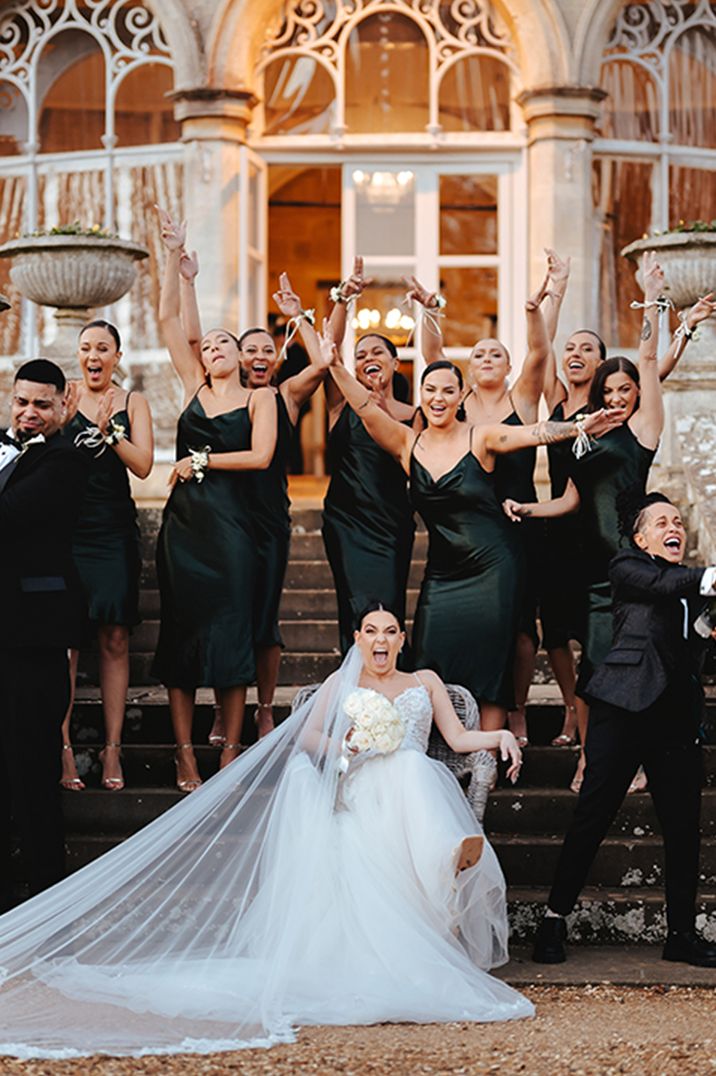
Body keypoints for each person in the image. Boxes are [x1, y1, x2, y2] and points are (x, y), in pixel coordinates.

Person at [0, 604, 533, 1059]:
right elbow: (306, 739)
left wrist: (501, 736)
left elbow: (460, 737)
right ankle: (444, 859)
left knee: (415, 767)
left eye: (390, 631)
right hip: (360, 788)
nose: (380, 639)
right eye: (370, 631)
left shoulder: (426, 683)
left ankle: (446, 856)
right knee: (400, 773)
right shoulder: (339, 684)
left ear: (401, 640)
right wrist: (348, 749)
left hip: (413, 790)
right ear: (357, 640)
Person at [324, 333, 622, 766]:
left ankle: (485, 766)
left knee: (488, 664)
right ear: (421, 396)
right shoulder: (408, 443)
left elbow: (535, 433)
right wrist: (333, 364)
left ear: (461, 394)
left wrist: (577, 426)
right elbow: (366, 407)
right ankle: (427, 764)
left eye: (448, 390)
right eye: (430, 390)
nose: (439, 398)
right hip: (443, 573)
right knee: (429, 659)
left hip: (494, 566)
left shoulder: (481, 437)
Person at [504, 252, 666, 792]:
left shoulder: (643, 429)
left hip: (633, 567)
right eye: (611, 392)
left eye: (626, 391)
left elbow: (646, 354)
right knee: (596, 673)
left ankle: (637, 761)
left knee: (636, 670)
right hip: (596, 573)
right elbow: (572, 496)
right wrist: (528, 508)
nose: (618, 398)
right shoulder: (586, 432)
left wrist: (650, 301)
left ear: (638, 394)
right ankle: (591, 761)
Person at [532, 492, 716, 968]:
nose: (673, 527)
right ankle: (553, 920)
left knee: (683, 829)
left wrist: (705, 633)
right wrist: (710, 578)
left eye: (678, 521)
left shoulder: (687, 584)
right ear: (640, 536)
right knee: (593, 815)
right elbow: (661, 586)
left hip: (675, 715)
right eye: (661, 522)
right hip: (623, 705)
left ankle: (680, 935)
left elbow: (693, 648)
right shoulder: (627, 566)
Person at [409, 256, 558, 747]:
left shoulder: (522, 399)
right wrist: (428, 313)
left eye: (495, 353)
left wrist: (539, 305)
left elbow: (540, 350)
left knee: (521, 633)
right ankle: (467, 722)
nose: (487, 358)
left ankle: (513, 711)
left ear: (508, 365)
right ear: (467, 373)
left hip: (522, 523)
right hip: (471, 526)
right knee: (479, 633)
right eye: (478, 355)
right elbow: (433, 360)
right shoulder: (459, 407)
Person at [178, 252, 327, 740]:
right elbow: (193, 339)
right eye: (251, 350)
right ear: (238, 359)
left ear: (276, 357)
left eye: (268, 350)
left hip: (267, 520)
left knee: (263, 618)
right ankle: (226, 710)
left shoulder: (283, 396)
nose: (260, 356)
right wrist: (188, 281)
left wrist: (298, 315)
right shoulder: (222, 393)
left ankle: (263, 708)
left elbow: (324, 360)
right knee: (229, 617)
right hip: (222, 520)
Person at [154, 211, 277, 792]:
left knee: (232, 638)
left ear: (242, 358)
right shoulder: (192, 387)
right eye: (214, 345)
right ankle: (184, 753)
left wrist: (199, 461)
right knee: (182, 639)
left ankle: (230, 751)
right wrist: (181, 269)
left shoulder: (262, 398)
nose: (218, 349)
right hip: (185, 533)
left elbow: (259, 458)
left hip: (235, 532)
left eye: (229, 344)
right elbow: (169, 320)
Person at [0, 359, 89, 912]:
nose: (29, 414)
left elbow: (8, 514)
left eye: (41, 404)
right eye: (21, 402)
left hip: (33, 636)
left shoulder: (66, 460)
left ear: (62, 405)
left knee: (32, 770)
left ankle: (45, 901)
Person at [60, 320, 154, 792]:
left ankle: (113, 748)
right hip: (67, 532)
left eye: (102, 348)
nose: (93, 355)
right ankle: (63, 750)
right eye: (85, 348)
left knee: (115, 637)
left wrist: (110, 435)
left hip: (113, 531)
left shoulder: (132, 401)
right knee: (67, 643)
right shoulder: (64, 397)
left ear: (117, 355)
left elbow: (143, 466)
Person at [322, 261, 417, 655]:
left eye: (377, 351)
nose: (367, 357)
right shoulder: (339, 403)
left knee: (388, 608)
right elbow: (331, 348)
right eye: (360, 355)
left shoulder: (414, 415)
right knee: (355, 609)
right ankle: (355, 697)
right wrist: (345, 298)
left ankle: (391, 691)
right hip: (346, 522)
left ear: (396, 363)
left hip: (391, 524)